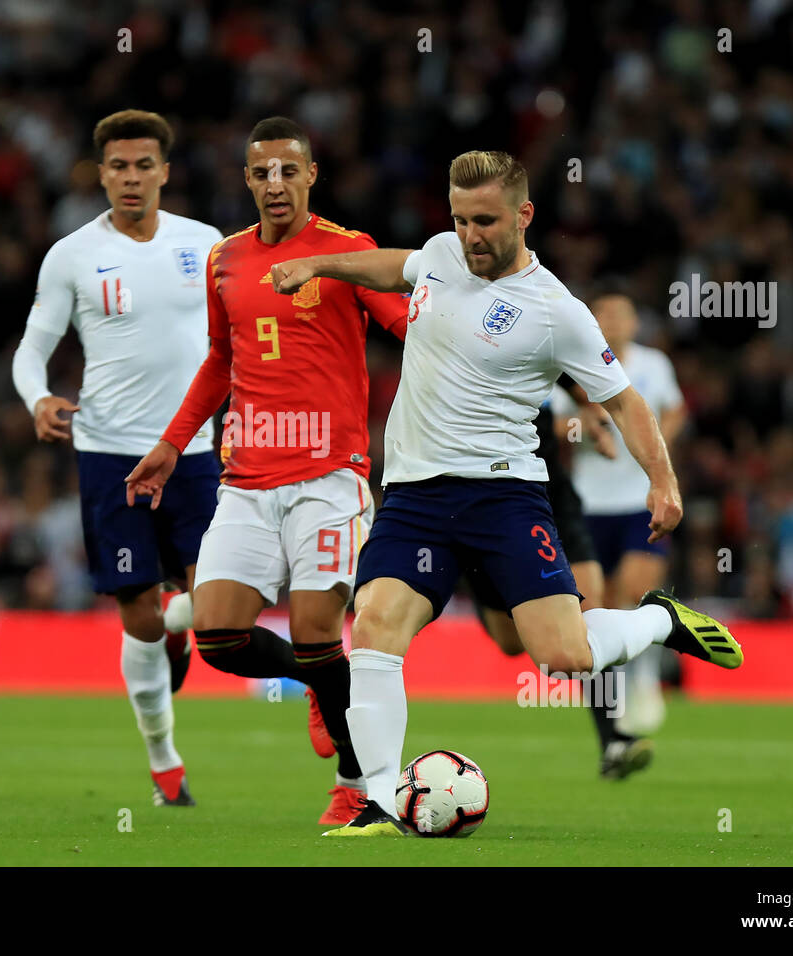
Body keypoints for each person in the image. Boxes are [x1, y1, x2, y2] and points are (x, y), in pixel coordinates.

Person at [269, 149, 742, 836]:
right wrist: (319, 264)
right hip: (414, 496)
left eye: (485, 221)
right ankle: (375, 798)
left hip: (504, 497)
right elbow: (394, 265)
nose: (471, 236)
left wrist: (662, 481)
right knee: (373, 626)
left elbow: (624, 401)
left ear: (524, 215)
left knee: (564, 656)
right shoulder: (439, 254)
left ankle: (659, 621)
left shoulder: (557, 311)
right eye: (460, 220)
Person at [124, 117, 409, 825]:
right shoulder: (225, 258)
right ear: (247, 180)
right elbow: (221, 361)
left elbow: (409, 325)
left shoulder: (349, 252)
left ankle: (354, 782)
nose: (274, 184)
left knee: (318, 629)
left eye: (288, 171)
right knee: (218, 636)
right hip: (246, 477)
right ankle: (315, 683)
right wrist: (170, 443)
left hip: (328, 474)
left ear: (312, 176)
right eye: (261, 173)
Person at [12, 109, 222, 808]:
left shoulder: (208, 245)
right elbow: (32, 347)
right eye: (118, 167)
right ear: (101, 174)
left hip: (194, 450)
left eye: (143, 165)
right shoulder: (71, 254)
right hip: (110, 453)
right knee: (139, 620)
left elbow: (240, 341)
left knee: (219, 607)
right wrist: (38, 398)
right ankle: (164, 763)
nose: (130, 178)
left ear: (165, 171)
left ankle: (180, 635)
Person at [474, 389, 654, 780]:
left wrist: (590, 416)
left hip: (556, 500)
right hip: (493, 503)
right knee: (510, 643)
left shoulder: (553, 336)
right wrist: (577, 425)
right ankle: (477, 579)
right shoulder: (476, 353)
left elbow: (594, 386)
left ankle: (613, 739)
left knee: (589, 615)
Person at [551, 291, 688, 735]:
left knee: (636, 587)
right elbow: (557, 424)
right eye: (603, 313)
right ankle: (616, 710)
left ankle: (647, 681)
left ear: (634, 321)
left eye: (621, 313)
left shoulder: (653, 364)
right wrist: (587, 431)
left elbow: (676, 409)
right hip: (589, 503)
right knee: (604, 606)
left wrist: (653, 443)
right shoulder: (574, 365)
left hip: (638, 500)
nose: (613, 320)